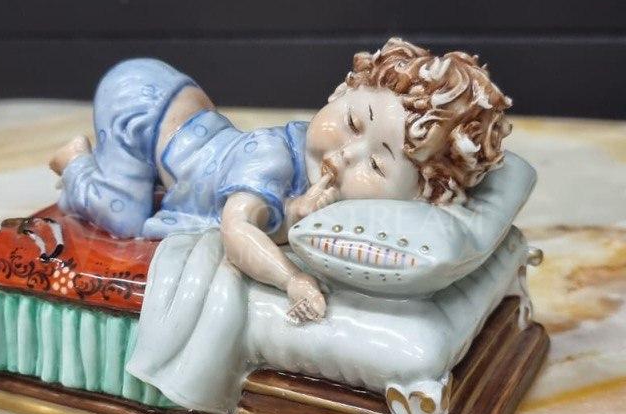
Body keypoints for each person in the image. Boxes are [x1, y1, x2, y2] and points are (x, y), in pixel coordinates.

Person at [50, 39, 511, 324]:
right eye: (352, 123)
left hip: (189, 116)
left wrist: (294, 214)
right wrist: (292, 280)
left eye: (376, 165)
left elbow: (283, 215)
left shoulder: (325, 184)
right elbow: (237, 231)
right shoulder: (272, 155)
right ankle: (74, 161)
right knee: (124, 218)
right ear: (341, 94)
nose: (345, 154)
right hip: (142, 106)